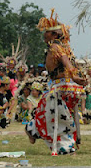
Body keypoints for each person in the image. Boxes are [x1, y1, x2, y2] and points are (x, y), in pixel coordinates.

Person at [25, 9, 86, 155]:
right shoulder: (65, 48)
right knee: (48, 113)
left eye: (46, 31)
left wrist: (76, 76)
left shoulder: (55, 47)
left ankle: (64, 145)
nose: (43, 34)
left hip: (62, 87)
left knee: (58, 116)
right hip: (66, 87)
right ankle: (32, 130)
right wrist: (78, 78)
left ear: (55, 34)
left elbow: (68, 64)